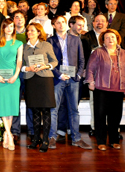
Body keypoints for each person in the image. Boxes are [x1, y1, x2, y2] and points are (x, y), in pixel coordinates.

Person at [85, 29, 125, 151]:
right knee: (100, 116)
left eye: (113, 37)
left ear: (117, 39)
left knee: (115, 116)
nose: (110, 39)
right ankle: (101, 141)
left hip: (119, 88)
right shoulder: (97, 52)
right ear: (103, 40)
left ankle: (114, 141)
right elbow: (90, 68)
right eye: (107, 37)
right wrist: (91, 81)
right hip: (101, 88)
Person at [46, 16, 91, 150]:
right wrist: (59, 75)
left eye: (63, 22)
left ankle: (76, 139)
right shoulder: (50, 41)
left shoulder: (76, 39)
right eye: (58, 23)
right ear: (54, 26)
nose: (61, 25)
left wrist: (78, 75)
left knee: (74, 110)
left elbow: (82, 60)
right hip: (58, 79)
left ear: (67, 24)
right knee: (54, 109)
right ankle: (52, 138)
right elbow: (49, 62)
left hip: (73, 79)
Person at [22, 23, 58, 153]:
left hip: (45, 79)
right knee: (35, 110)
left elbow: (54, 61)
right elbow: (20, 65)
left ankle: (45, 140)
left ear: (38, 32)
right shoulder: (24, 47)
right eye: (28, 31)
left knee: (46, 110)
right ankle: (36, 139)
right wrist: (27, 68)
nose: (29, 33)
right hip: (31, 80)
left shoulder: (46, 45)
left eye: (32, 30)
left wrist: (45, 66)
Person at [0, 19, 23, 151]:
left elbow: (19, 61)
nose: (9, 29)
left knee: (11, 107)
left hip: (13, 78)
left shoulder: (19, 43)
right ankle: (10, 135)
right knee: (4, 106)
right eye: (7, 26)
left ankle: (6, 133)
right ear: (3, 28)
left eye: (12, 26)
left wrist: (15, 75)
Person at [81, 14, 108, 137]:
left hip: (111, 76)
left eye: (102, 21)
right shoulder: (86, 37)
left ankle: (113, 128)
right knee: (94, 102)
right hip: (94, 75)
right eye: (97, 21)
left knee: (111, 103)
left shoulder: (113, 36)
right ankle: (95, 127)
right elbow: (82, 56)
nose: (100, 23)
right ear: (93, 23)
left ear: (107, 23)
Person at [10, 10, 34, 142]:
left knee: (31, 102)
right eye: (16, 17)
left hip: (30, 73)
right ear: (13, 20)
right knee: (15, 103)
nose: (19, 20)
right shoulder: (10, 35)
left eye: (21, 17)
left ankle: (32, 130)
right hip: (15, 74)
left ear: (25, 19)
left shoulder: (30, 33)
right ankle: (15, 131)